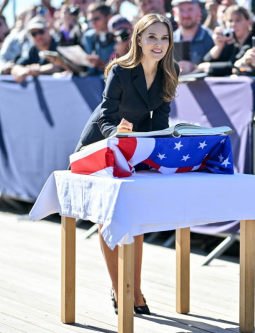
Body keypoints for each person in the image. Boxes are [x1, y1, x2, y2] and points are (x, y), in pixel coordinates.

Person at [74, 13, 180, 315]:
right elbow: (106, 117)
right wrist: (117, 135)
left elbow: (159, 122)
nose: (159, 44)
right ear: (138, 39)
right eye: (152, 37)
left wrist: (158, 150)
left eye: (164, 38)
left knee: (135, 216)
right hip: (101, 142)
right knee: (108, 216)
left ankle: (135, 288)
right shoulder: (120, 70)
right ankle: (120, 289)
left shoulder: (170, 71)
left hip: (134, 146)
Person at [199, 5, 255, 75]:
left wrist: (207, 67)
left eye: (238, 20)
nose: (233, 24)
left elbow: (233, 66)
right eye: (230, 21)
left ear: (248, 21)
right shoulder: (231, 43)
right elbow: (206, 60)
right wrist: (218, 47)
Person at [10, 17, 62, 83]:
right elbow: (16, 67)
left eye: (41, 31)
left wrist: (37, 70)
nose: (38, 36)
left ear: (48, 29)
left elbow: (60, 66)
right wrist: (27, 71)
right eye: (34, 34)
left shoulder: (59, 45)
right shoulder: (33, 50)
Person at [172, 0, 214, 74]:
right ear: (175, 13)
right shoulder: (167, 40)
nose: (186, 15)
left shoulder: (212, 38)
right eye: (181, 10)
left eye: (190, 9)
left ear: (198, 11)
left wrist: (195, 68)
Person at [82, 3, 115, 75]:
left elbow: (123, 71)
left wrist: (101, 64)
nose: (93, 23)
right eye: (90, 20)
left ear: (109, 17)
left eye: (96, 19)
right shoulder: (88, 37)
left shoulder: (118, 38)